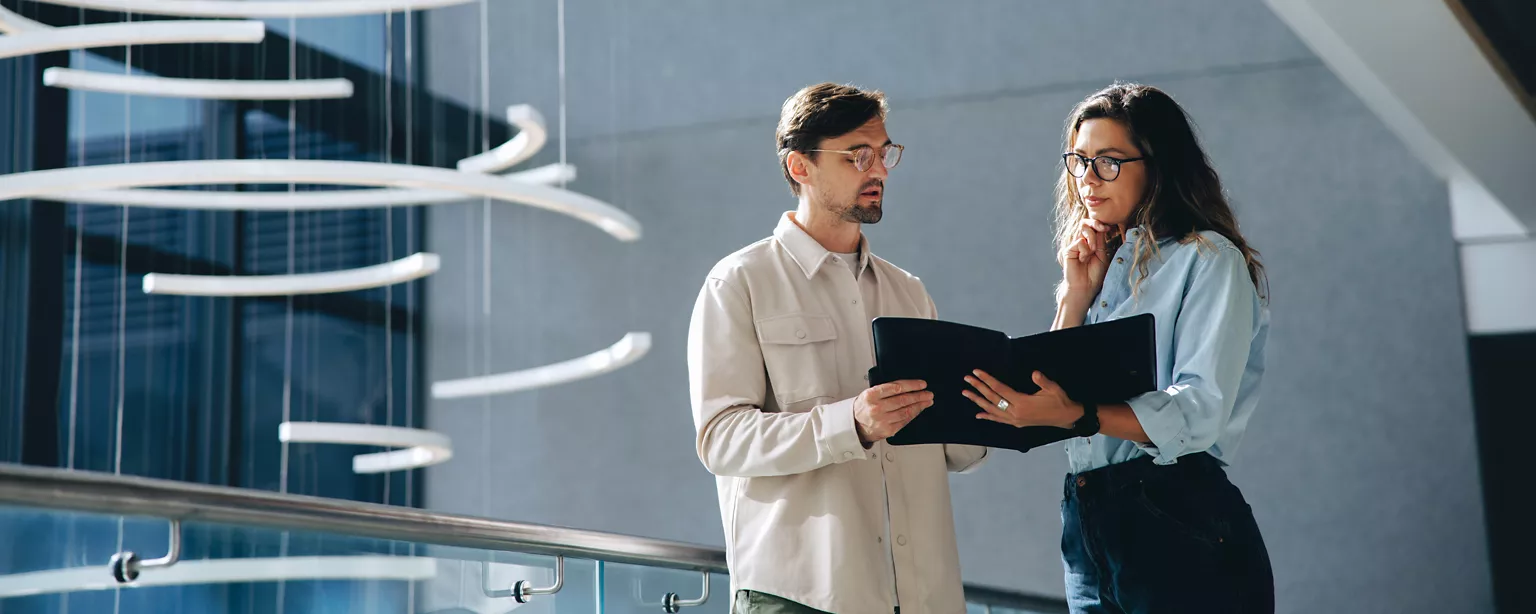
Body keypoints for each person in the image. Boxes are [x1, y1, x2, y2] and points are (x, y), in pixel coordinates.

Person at [960, 83, 1274, 613]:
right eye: (1079, 161)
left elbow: (1199, 413)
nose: (1086, 179)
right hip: (1088, 517)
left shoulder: (1208, 259)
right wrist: (1076, 296)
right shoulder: (1106, 267)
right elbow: (1053, 399)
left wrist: (1081, 415)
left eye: (1108, 162)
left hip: (1175, 512)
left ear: (1158, 164)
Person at [687, 82, 989, 614]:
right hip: (801, 596)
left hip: (921, 597)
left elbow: (957, 451)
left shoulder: (909, 292)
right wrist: (850, 423)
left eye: (885, 152)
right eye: (858, 155)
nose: (880, 170)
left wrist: (988, 411)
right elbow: (721, 440)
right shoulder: (739, 282)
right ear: (800, 166)